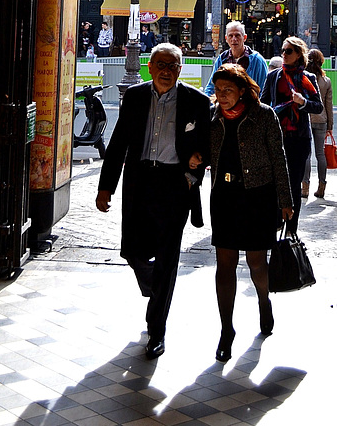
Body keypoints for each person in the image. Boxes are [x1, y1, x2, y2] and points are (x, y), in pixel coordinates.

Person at [96, 43, 210, 359]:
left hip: (175, 186)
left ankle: (157, 330)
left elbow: (208, 144)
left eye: (172, 65)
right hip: (139, 182)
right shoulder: (134, 97)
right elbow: (117, 144)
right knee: (131, 251)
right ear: (149, 66)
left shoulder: (197, 102)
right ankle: (155, 287)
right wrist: (106, 187)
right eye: (160, 64)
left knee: (167, 258)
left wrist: (199, 162)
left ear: (180, 69)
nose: (166, 71)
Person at [210, 64, 293, 363]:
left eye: (228, 90)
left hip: (258, 196)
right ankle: (226, 330)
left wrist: (286, 200)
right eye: (218, 91)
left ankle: (263, 300)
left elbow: (278, 158)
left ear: (243, 90)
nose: (222, 96)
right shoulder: (213, 116)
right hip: (224, 197)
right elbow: (206, 152)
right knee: (225, 265)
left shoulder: (263, 115)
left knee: (257, 262)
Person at [261, 37, 323, 233]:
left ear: (298, 54)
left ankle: (291, 229)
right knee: (272, 182)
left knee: (293, 184)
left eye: (289, 51)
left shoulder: (308, 79)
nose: (284, 54)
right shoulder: (274, 77)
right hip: (275, 137)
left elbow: (318, 106)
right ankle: (275, 222)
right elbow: (263, 104)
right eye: (283, 51)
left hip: (298, 138)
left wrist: (302, 102)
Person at [204, 21, 268, 99]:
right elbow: (211, 87)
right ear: (226, 38)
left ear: (244, 37)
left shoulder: (257, 60)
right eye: (230, 36)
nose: (234, 39)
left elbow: (264, 91)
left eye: (237, 35)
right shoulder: (222, 59)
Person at [302, 49, 333, 199]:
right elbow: (328, 105)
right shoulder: (326, 81)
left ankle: (305, 187)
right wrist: (330, 126)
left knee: (306, 154)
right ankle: (321, 187)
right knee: (321, 154)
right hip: (321, 120)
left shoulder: (303, 78)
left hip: (306, 118)